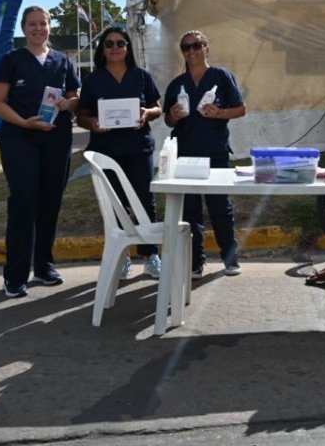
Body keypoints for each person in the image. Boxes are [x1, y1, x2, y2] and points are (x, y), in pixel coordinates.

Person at [0, 6, 80, 298]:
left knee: (50, 202)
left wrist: (70, 103)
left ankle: (44, 266)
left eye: (42, 23)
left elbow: (75, 94)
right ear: (24, 28)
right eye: (31, 24)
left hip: (56, 139)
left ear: (50, 27)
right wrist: (23, 122)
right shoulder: (11, 60)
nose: (37, 28)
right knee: (24, 203)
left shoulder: (62, 61)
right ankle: (15, 276)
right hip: (20, 139)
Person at [76, 26, 164, 281]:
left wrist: (147, 113)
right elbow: (81, 115)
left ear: (127, 47)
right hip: (106, 151)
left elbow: (157, 108)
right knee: (117, 206)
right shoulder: (93, 80)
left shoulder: (141, 76)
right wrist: (92, 123)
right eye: (109, 43)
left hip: (138, 149)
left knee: (145, 202)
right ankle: (122, 257)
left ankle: (150, 256)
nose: (115, 47)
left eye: (120, 43)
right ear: (102, 49)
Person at [162, 29, 246, 278]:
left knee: (220, 206)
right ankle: (195, 262)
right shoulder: (177, 84)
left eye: (196, 45)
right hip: (185, 154)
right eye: (186, 48)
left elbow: (241, 109)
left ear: (206, 48)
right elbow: (167, 119)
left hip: (215, 151)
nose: (191, 51)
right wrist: (173, 116)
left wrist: (220, 113)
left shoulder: (221, 76)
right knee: (190, 211)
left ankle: (230, 258)